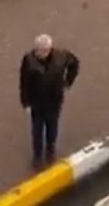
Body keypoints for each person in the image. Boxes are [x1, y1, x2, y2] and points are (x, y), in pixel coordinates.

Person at [19, 34, 80, 168]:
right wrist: (26, 102)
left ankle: (50, 150)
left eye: (42, 51)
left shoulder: (61, 56)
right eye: (37, 50)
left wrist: (68, 82)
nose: (39, 53)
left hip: (54, 101)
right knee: (37, 130)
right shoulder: (29, 60)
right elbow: (24, 82)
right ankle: (37, 155)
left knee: (52, 127)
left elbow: (74, 64)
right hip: (37, 102)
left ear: (49, 49)